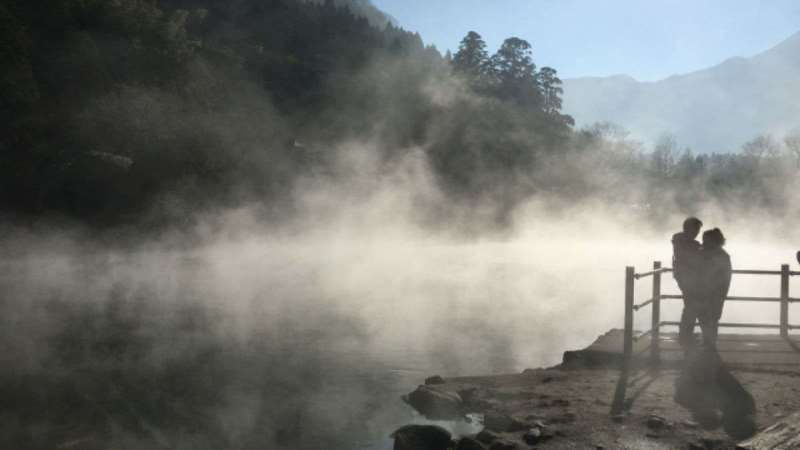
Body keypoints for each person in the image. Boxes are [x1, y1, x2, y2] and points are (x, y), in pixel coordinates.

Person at [696, 228, 732, 349]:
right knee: (707, 317)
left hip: (714, 292)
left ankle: (709, 343)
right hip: (709, 292)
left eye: (706, 240)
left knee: (710, 318)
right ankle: (709, 342)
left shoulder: (720, 255)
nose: (703, 242)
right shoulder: (720, 254)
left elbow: (725, 276)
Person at [672, 217, 703, 351]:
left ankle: (686, 335)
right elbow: (692, 258)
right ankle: (685, 336)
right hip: (687, 278)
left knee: (690, 305)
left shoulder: (679, 240)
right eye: (696, 229)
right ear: (690, 228)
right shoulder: (688, 243)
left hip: (684, 277)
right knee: (691, 306)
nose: (697, 232)